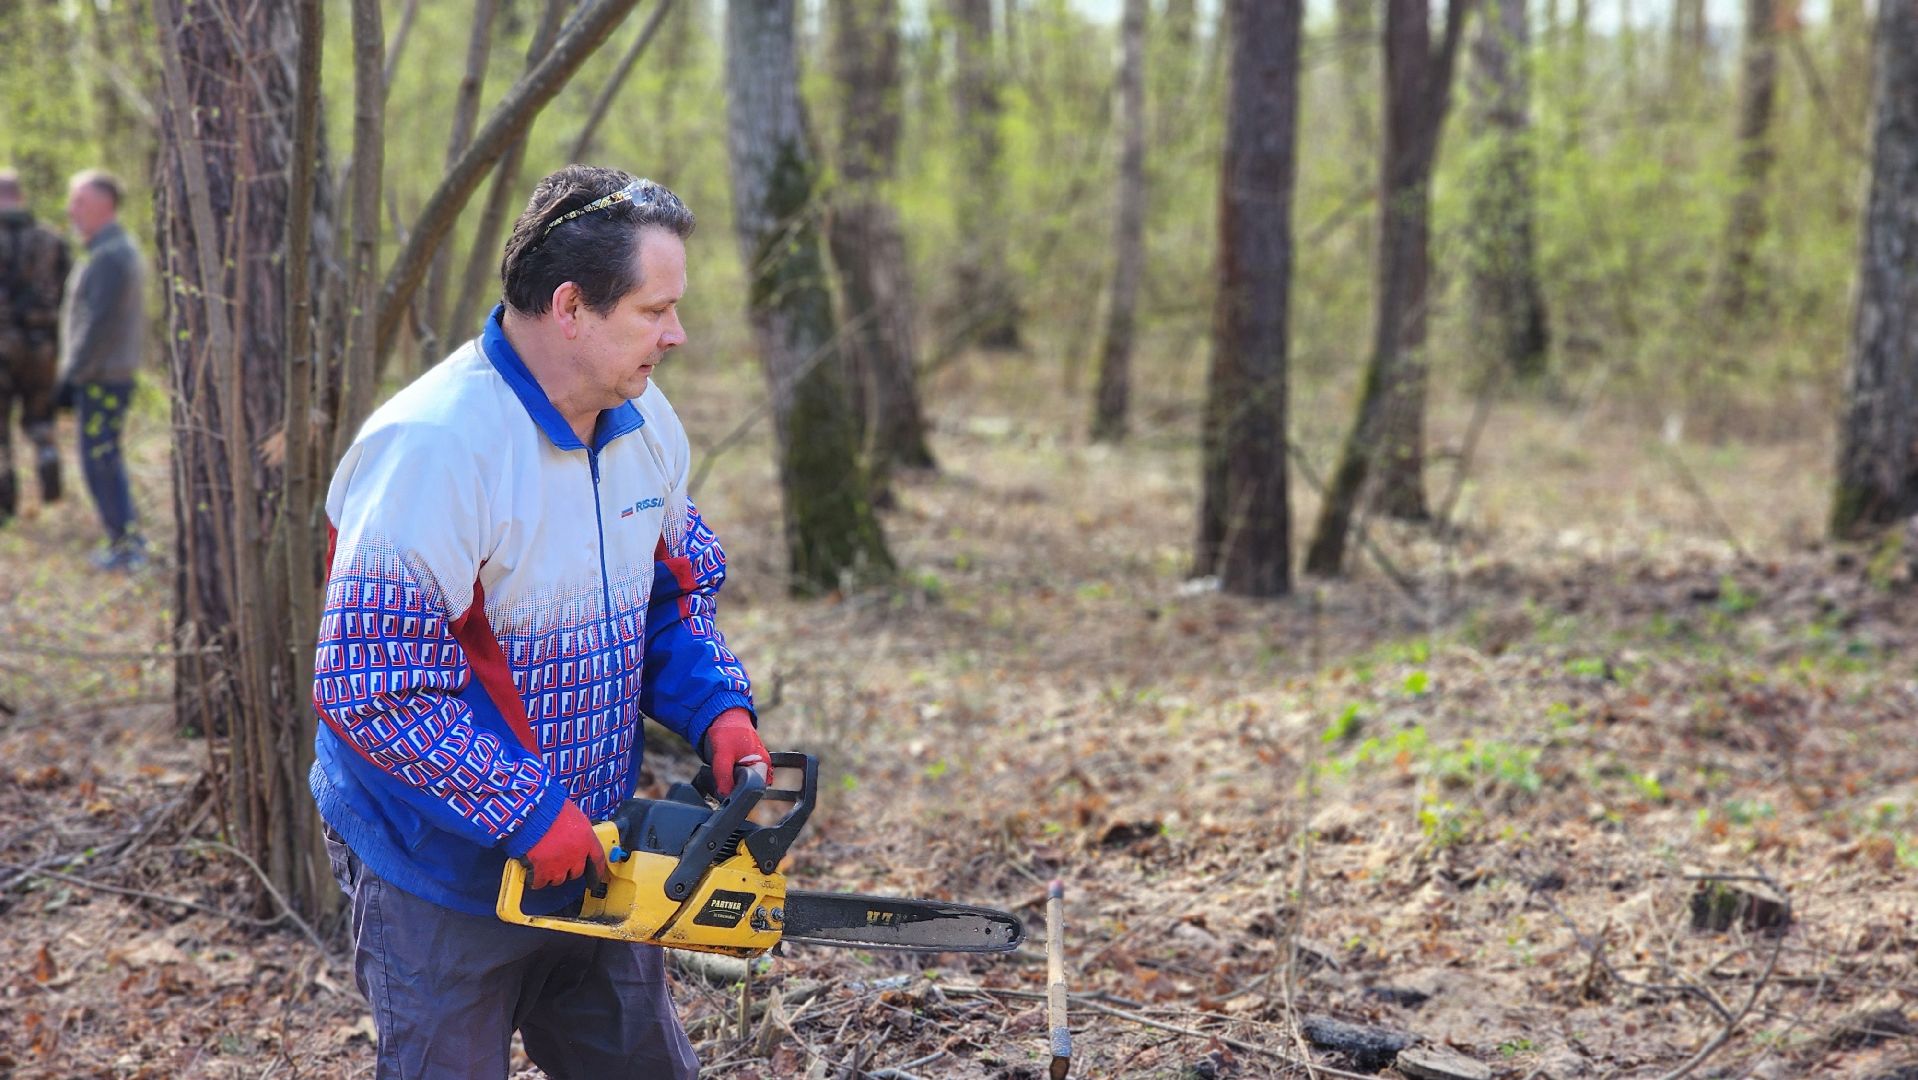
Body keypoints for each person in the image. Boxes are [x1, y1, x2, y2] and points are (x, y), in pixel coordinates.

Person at [310, 166, 769, 1080]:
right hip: (439, 873)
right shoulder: (437, 448)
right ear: (570, 307)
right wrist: (521, 809)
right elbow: (370, 687)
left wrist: (717, 710)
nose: (675, 334)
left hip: (593, 854)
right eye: (654, 310)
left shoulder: (644, 423)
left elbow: (677, 596)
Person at [58, 169, 148, 570]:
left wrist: (71, 376)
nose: (70, 210)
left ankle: (126, 547)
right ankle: (124, 542)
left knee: (101, 463)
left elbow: (97, 326)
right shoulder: (107, 250)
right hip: (102, 376)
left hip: (102, 380)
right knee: (102, 461)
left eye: (79, 201)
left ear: (104, 205)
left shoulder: (112, 255)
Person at [0, 169, 71, 525]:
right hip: (41, 347)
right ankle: (47, 459)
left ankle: (4, 505)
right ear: (21, 197)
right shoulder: (51, 239)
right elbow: (68, 292)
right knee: (39, 418)